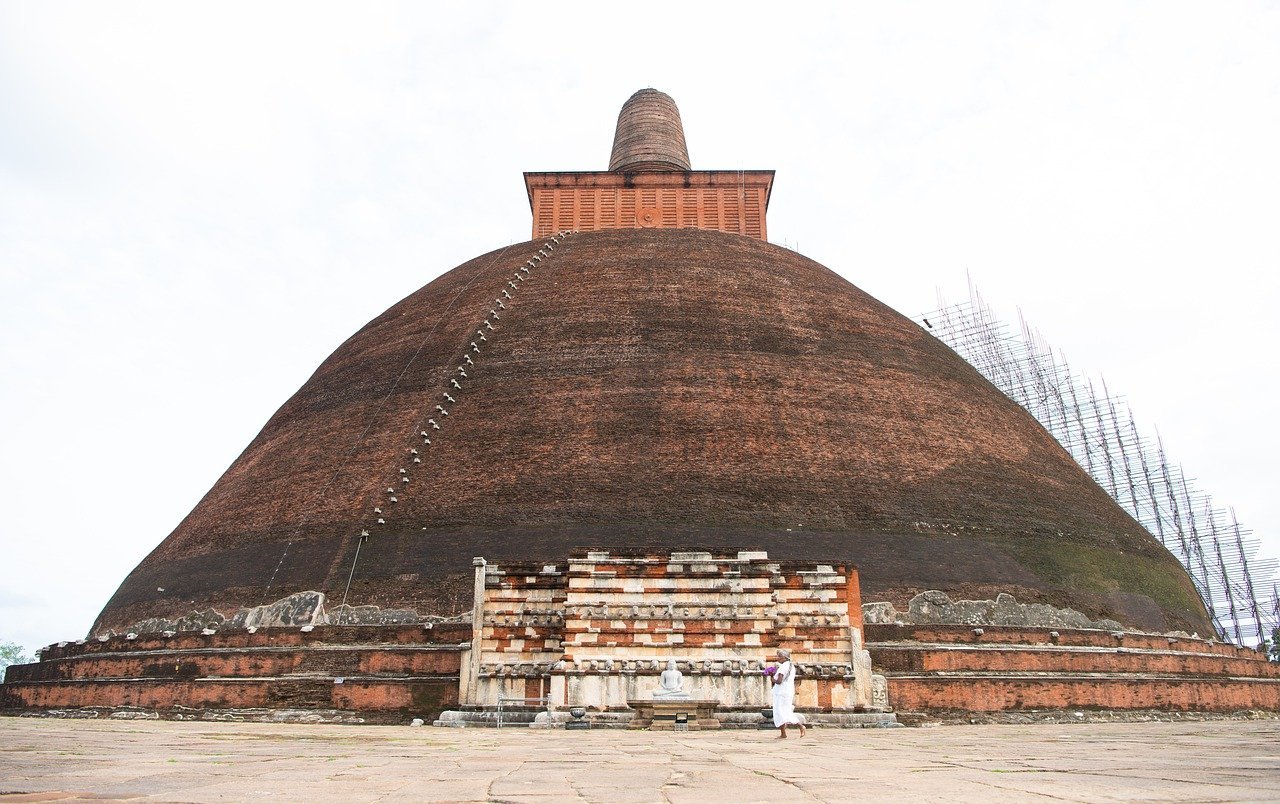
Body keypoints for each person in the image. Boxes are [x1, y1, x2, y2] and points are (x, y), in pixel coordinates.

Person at [769, 648, 806, 738]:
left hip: (781, 692)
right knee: (781, 711)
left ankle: (801, 726)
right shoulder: (791, 666)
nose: (778, 658)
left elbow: (779, 681)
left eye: (780, 656)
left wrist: (772, 678)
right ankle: (783, 733)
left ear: (784, 658)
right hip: (787, 691)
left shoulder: (783, 667)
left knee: (782, 712)